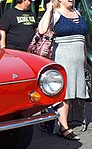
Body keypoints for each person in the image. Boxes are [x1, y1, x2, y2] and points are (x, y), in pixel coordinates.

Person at [38, 0, 88, 140]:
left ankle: (65, 121)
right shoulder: (55, 13)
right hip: (62, 59)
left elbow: (82, 38)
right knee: (65, 93)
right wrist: (48, 10)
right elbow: (41, 30)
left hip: (77, 61)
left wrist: (84, 57)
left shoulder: (77, 12)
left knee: (73, 92)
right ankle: (63, 127)